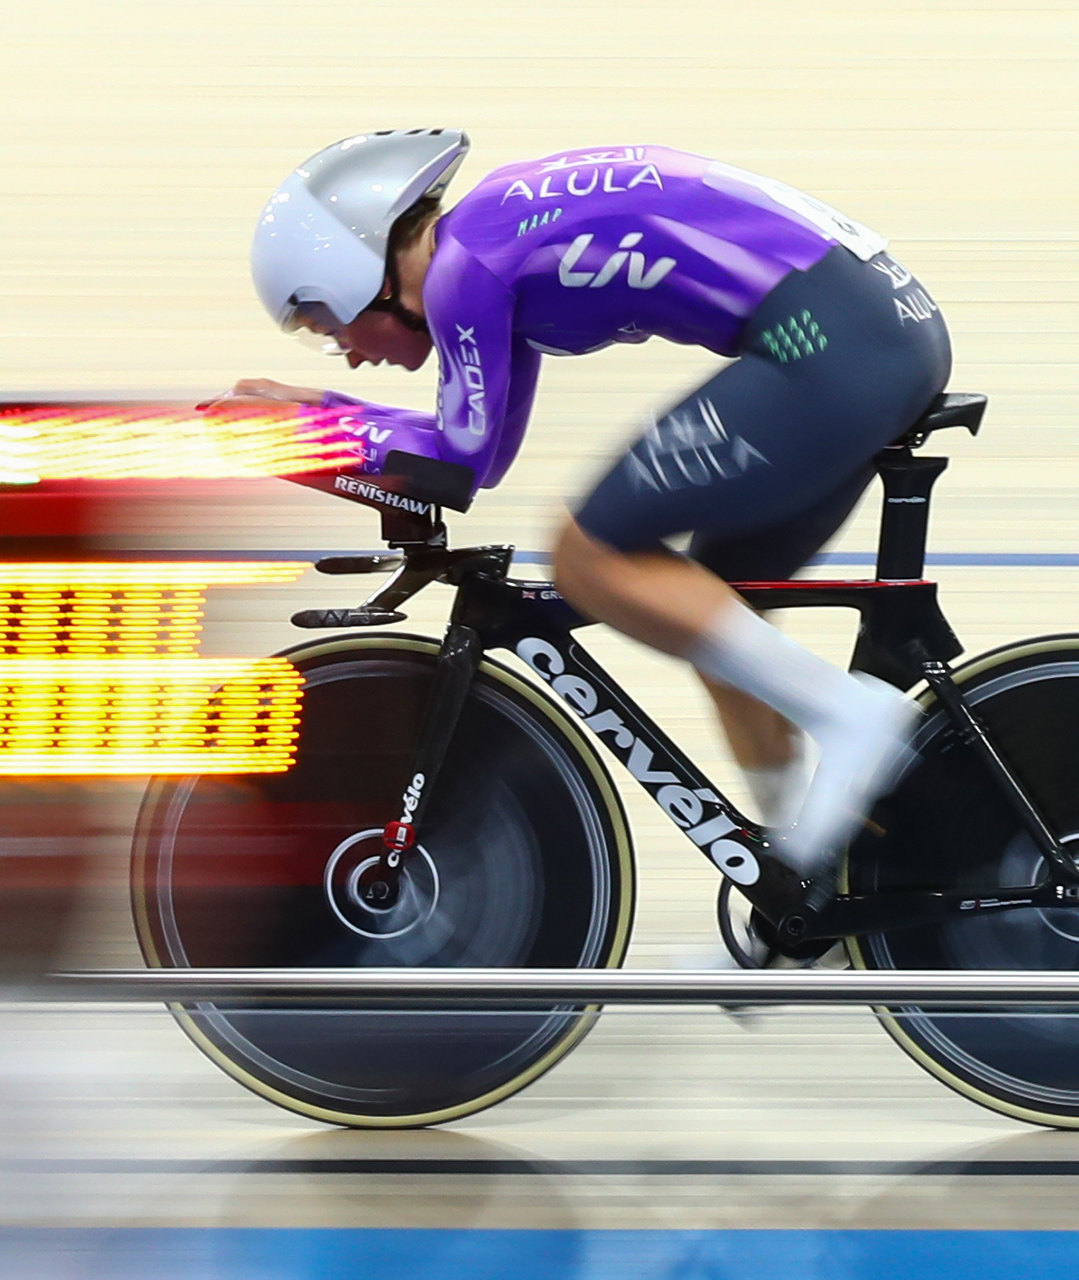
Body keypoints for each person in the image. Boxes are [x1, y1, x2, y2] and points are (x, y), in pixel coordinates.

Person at [211, 129, 951, 931]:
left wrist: (306, 431)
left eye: (327, 325)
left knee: (584, 558)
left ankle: (854, 719)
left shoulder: (465, 271)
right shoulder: (486, 249)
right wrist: (327, 414)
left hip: (828, 345)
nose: (346, 354)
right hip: (868, 330)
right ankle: (807, 876)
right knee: (711, 618)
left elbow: (455, 464)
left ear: (361, 276)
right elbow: (479, 454)